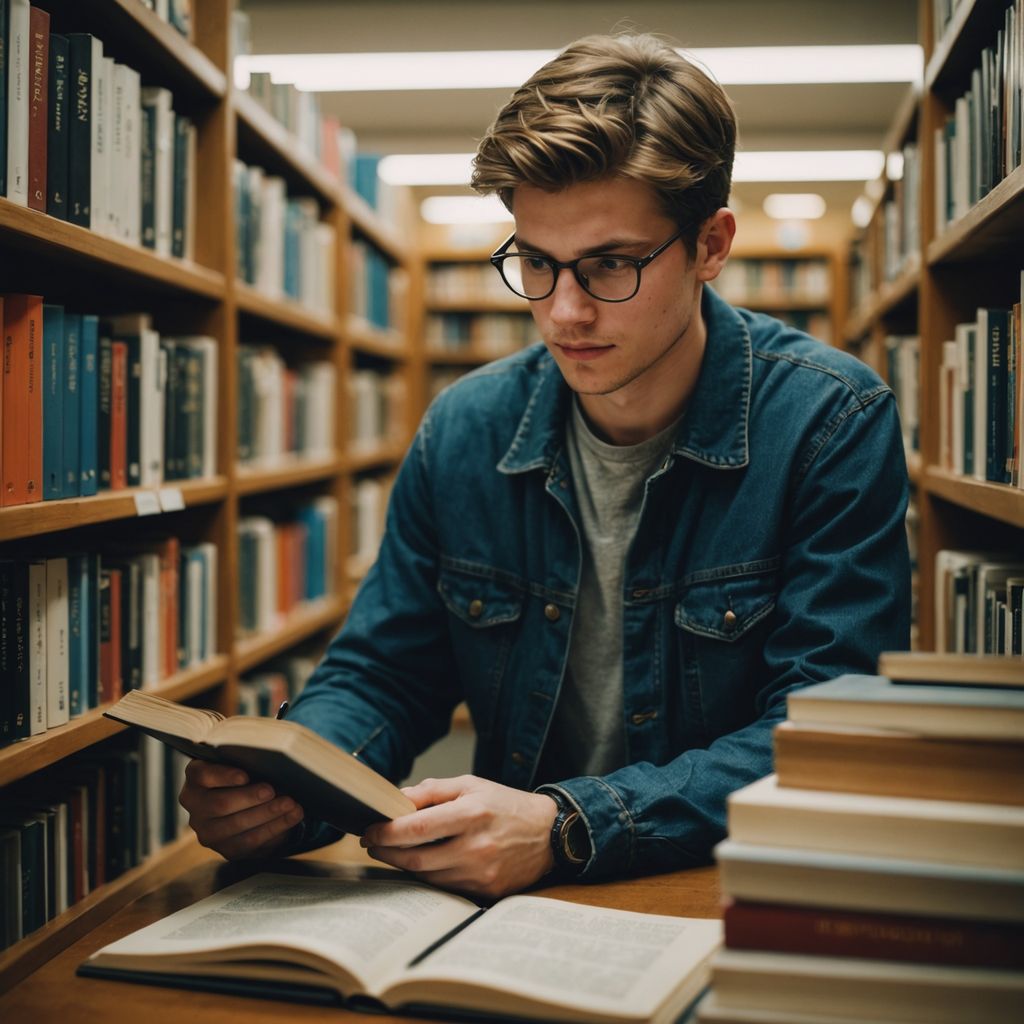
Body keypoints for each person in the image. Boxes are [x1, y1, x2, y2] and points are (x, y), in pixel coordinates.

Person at [180, 33, 910, 897]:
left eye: (610, 265)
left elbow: (823, 730)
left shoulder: (831, 422)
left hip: (726, 892)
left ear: (711, 245)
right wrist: (293, 785)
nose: (564, 312)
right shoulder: (465, 428)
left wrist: (570, 825)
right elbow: (386, 669)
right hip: (505, 897)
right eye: (534, 261)